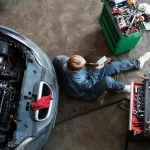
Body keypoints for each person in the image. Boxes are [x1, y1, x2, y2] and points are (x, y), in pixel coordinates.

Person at [53, 53, 150, 100]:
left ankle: (137, 63)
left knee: (112, 66)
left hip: (87, 76)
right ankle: (124, 88)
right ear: (77, 70)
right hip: (86, 92)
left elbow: (55, 61)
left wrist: (96, 66)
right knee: (107, 81)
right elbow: (89, 86)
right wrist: (97, 70)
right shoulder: (78, 80)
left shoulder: (62, 59)